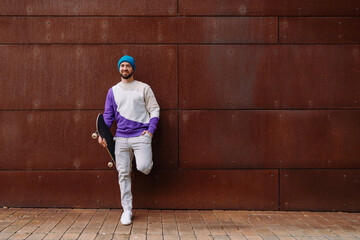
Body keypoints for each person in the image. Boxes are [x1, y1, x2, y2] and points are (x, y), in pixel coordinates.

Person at [97, 55, 160, 225]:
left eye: (128, 66)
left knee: (144, 167)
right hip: (121, 139)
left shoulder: (144, 88)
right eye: (122, 66)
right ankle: (127, 210)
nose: (125, 68)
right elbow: (108, 117)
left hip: (141, 137)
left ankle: (138, 163)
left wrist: (150, 132)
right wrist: (102, 134)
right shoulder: (113, 91)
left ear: (133, 69)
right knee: (123, 173)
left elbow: (154, 109)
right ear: (119, 68)